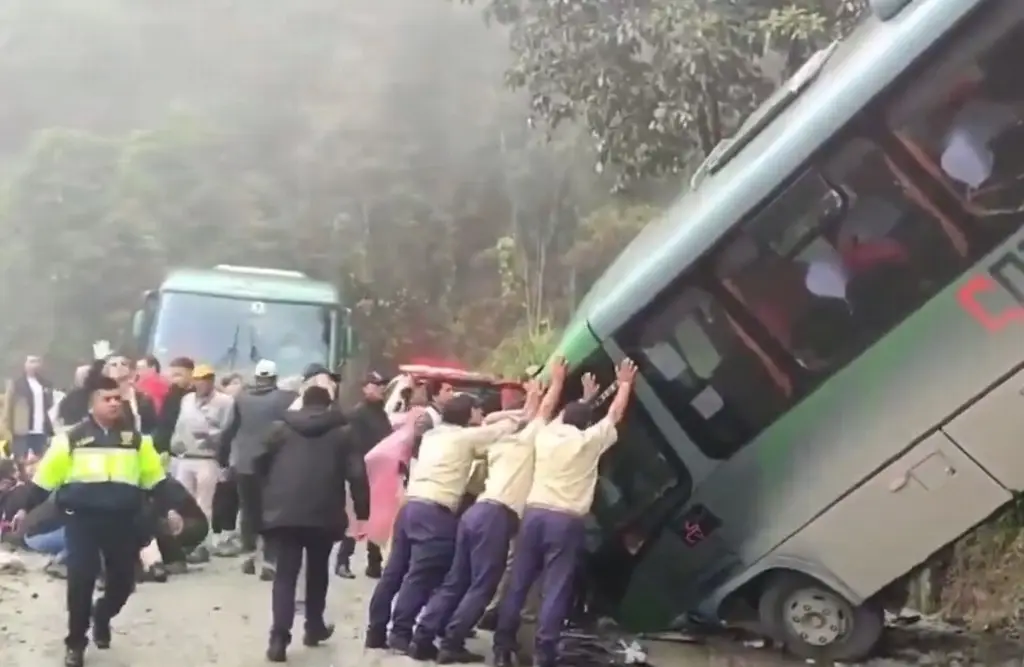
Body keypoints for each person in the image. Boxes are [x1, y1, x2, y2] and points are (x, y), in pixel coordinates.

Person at [8, 374, 174, 667]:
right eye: (106, 399)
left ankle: (103, 616)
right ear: (91, 404)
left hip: (122, 522)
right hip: (81, 521)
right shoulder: (70, 440)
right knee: (80, 582)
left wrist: (170, 509)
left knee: (123, 583)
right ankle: (75, 644)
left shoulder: (136, 442)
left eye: (117, 399)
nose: (113, 403)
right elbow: (44, 481)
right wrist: (23, 509)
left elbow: (156, 481)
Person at [492, 359, 637, 667]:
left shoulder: (545, 436)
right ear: (585, 423)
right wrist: (624, 384)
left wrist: (559, 382)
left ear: (563, 418)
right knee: (556, 587)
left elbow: (547, 411)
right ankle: (545, 654)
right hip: (565, 521)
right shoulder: (588, 441)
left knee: (519, 582)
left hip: (533, 515)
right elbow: (614, 415)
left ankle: (502, 646)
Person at [410, 372, 561, 663]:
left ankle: (423, 636)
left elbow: (524, 416)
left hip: (474, 513)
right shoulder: (525, 440)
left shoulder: (497, 444)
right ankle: (452, 642)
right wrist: (553, 383)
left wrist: (532, 394)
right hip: (496, 517)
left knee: (456, 580)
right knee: (483, 584)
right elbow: (539, 413)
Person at [365, 393, 520, 654]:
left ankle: (376, 630)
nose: (481, 416)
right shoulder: (464, 438)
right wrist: (522, 413)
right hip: (434, 513)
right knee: (422, 575)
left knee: (394, 572)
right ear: (468, 414)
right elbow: (504, 429)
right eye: (478, 411)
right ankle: (401, 633)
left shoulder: (433, 435)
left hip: (410, 507)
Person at [256, 385, 370, 662]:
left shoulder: (280, 429)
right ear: (328, 405)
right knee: (318, 571)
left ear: (302, 404)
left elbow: (258, 462)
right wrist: (363, 511)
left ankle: (278, 638)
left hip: (284, 512)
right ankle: (313, 626)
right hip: (324, 512)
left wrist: (268, 494)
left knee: (285, 575)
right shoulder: (343, 432)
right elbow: (356, 473)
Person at [218, 359, 297, 574]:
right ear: (274, 378)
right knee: (272, 511)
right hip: (275, 465)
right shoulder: (287, 398)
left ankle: (249, 556)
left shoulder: (241, 399)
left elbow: (228, 432)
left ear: (256, 377)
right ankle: (270, 559)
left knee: (249, 511)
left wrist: (223, 461)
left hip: (245, 465)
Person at [170, 364, 235, 562]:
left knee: (204, 504)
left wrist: (211, 438)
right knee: (182, 504)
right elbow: (180, 424)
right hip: (185, 457)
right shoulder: (187, 400)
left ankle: (202, 545)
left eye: (207, 379)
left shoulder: (225, 402)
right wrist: (174, 443)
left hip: (208, 458)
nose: (202, 383)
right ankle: (182, 543)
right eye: (199, 379)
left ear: (212, 380)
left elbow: (227, 429)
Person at [335, 371, 392, 580]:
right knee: (359, 520)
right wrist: (355, 473)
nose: (380, 388)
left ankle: (374, 563)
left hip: (378, 473)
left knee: (375, 519)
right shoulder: (357, 414)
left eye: (382, 385)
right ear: (365, 387)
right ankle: (343, 560)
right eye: (375, 385)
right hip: (361, 474)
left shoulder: (380, 413)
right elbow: (352, 447)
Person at [3, 354, 55, 460]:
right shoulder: (16, 384)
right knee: (21, 461)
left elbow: (50, 405)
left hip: (41, 429)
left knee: (41, 461)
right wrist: (8, 428)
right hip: (22, 429)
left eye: (36, 361)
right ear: (24, 364)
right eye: (31, 361)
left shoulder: (45, 384)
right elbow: (8, 408)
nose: (34, 365)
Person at [153, 357, 195, 457]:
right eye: (172, 376)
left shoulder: (198, 396)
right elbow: (164, 424)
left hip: (191, 453)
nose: (174, 380)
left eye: (178, 375)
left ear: (191, 374)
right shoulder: (171, 395)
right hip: (169, 453)